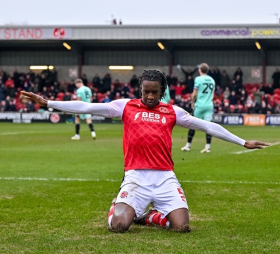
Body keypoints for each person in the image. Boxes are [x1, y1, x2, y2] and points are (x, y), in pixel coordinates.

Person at [21, 69, 270, 233]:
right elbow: (86, 106)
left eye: (154, 92)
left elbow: (207, 125)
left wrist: (242, 141)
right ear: (140, 90)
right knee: (118, 226)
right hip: (136, 177)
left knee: (181, 228)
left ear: (162, 92)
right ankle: (117, 204)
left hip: (164, 178)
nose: (150, 96)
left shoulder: (173, 111)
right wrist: (48, 103)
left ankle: (149, 217)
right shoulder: (125, 107)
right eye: (146, 91)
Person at [181, 63, 215, 153]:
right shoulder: (212, 80)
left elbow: (195, 93)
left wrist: (192, 102)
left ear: (200, 70)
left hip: (200, 105)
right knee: (209, 126)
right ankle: (208, 147)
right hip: (209, 105)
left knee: (193, 124)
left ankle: (188, 146)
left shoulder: (198, 79)